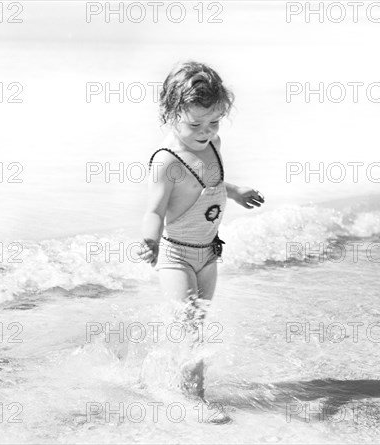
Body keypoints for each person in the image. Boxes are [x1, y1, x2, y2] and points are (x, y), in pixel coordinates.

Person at [139, 61, 264, 409]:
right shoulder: (167, 161)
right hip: (175, 256)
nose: (206, 130)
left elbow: (210, 181)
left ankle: (161, 375)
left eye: (214, 121)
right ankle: (194, 399)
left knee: (195, 324)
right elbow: (155, 209)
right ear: (170, 112)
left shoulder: (212, 143)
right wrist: (149, 241)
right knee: (190, 327)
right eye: (195, 124)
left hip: (208, 255)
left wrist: (235, 191)